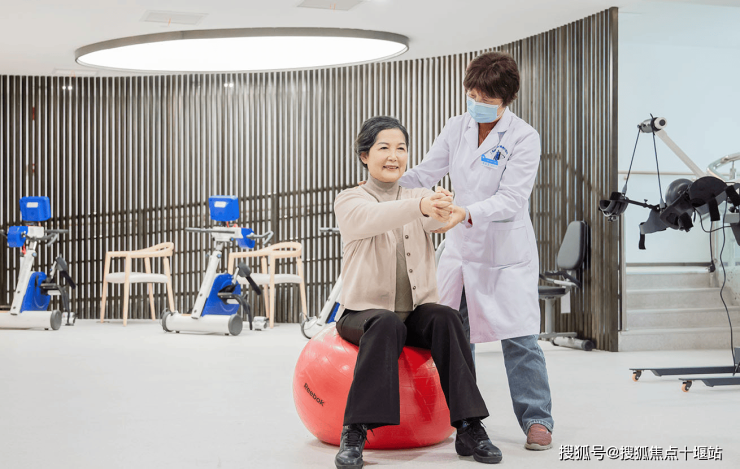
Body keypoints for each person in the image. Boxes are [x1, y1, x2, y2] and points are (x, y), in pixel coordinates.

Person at [398, 51, 554, 451]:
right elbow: (426, 172)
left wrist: (466, 212)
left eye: (486, 98)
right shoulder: (457, 127)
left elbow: (512, 198)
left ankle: (537, 418)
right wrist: (387, 184)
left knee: (520, 338)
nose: (477, 103)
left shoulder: (524, 137)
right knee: (456, 335)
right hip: (461, 250)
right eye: (472, 95)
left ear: (507, 98)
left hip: (505, 253)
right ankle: (466, 420)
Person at [332, 116, 502, 469]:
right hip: (362, 314)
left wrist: (442, 205)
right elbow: (372, 218)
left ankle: (469, 426)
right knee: (385, 323)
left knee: (447, 317)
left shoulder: (419, 195)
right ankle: (355, 431)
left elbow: (435, 220)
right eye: (384, 148)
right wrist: (420, 206)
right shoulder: (350, 200)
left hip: (413, 314)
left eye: (401, 148)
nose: (394, 156)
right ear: (364, 155)